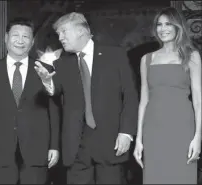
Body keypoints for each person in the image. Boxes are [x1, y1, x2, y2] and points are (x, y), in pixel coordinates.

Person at [35, 12, 138, 184]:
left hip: (111, 142)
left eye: (63, 32)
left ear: (81, 32)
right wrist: (47, 81)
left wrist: (126, 133)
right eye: (59, 34)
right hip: (76, 147)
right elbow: (54, 91)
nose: (60, 38)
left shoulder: (115, 56)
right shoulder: (61, 64)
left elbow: (130, 95)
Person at [0, 17, 60, 184]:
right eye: (16, 35)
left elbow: (54, 110)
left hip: (37, 148)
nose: (20, 40)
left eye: (26, 37)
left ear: (32, 42)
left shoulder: (45, 70)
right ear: (6, 38)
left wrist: (54, 145)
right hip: (1, 150)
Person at [133, 7, 201, 184]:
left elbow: (198, 100)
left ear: (178, 26)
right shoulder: (146, 59)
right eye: (159, 25)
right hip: (153, 129)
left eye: (168, 24)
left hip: (182, 129)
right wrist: (138, 140)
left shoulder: (191, 56)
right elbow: (143, 101)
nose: (163, 29)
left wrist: (198, 137)